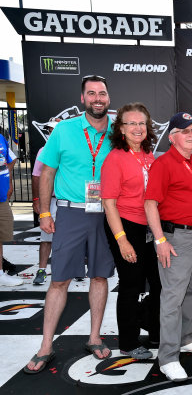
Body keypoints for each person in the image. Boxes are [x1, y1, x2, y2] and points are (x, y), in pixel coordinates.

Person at [24, 75, 115, 374]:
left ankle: (94, 336)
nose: (97, 98)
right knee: (59, 280)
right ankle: (46, 345)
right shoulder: (64, 130)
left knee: (100, 277)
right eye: (91, 93)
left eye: (102, 93)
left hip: (106, 214)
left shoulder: (120, 131)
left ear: (108, 98)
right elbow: (47, 173)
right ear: (82, 99)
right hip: (71, 213)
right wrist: (44, 213)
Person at [144, 112, 192, 382]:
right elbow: (150, 204)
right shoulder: (164, 163)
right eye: (185, 131)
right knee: (172, 297)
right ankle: (168, 357)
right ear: (172, 137)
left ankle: (185, 338)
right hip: (176, 238)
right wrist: (160, 240)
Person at [101, 102, 161, 360]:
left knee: (158, 283)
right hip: (125, 226)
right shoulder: (115, 158)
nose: (137, 128)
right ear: (121, 129)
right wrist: (122, 241)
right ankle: (127, 341)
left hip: (149, 227)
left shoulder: (149, 155)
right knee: (131, 284)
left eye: (141, 123)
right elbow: (108, 203)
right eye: (131, 123)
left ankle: (155, 329)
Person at [31, 121, 59, 285]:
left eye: (54, 130)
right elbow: (36, 177)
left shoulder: (70, 149)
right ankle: (42, 270)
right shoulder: (44, 150)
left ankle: (75, 269)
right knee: (46, 237)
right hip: (52, 200)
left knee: (74, 238)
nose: (51, 133)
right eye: (49, 131)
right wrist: (37, 200)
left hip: (71, 201)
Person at [0, 132, 22, 287]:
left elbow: (10, 159)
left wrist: (9, 182)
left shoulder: (0, 137)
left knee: (0, 237)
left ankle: (0, 274)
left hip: (1, 198)